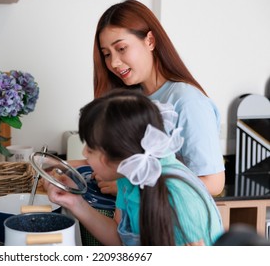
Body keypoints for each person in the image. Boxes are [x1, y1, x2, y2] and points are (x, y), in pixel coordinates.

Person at [72, 0, 225, 196]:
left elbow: (213, 183)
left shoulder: (187, 101)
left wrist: (129, 187)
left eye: (121, 49)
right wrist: (52, 168)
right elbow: (117, 162)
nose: (114, 63)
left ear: (150, 41)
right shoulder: (134, 97)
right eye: (107, 54)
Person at [45, 89, 224, 245]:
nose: (84, 153)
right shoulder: (130, 174)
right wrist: (75, 202)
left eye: (90, 149)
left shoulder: (178, 200)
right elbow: (123, 241)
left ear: (115, 154)